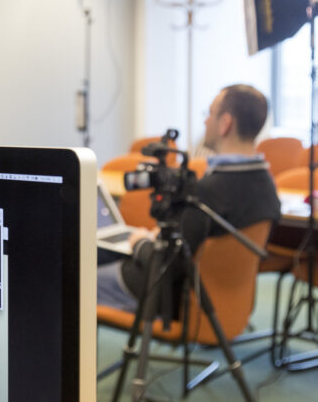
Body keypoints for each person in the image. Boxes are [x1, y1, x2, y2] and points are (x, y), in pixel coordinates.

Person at [98, 84, 281, 313]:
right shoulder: (266, 184)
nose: (205, 121)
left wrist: (140, 243)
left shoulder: (209, 190)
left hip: (162, 293)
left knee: (75, 280)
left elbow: (168, 264)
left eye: (210, 114)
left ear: (225, 124)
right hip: (217, 299)